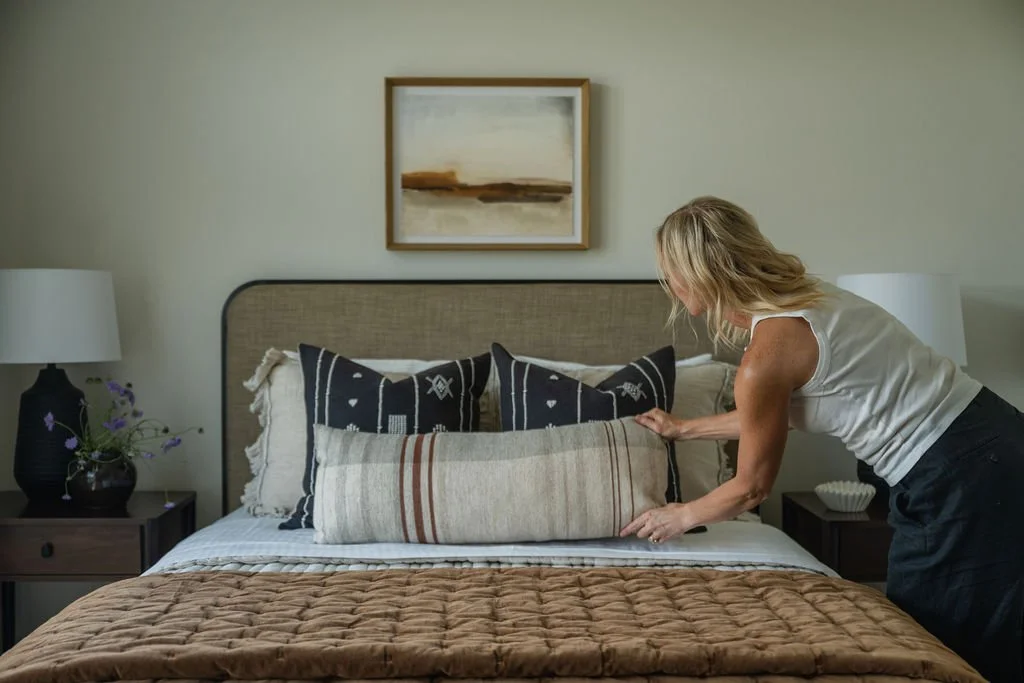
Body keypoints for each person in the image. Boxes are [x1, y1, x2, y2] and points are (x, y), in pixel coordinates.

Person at [618, 195, 1023, 682]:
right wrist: (684, 429)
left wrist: (679, 516)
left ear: (697, 275)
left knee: (932, 643)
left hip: (958, 473)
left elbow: (750, 488)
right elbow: (782, 416)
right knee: (996, 628)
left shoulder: (766, 357)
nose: (668, 281)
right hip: (997, 434)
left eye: (670, 270)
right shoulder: (813, 298)